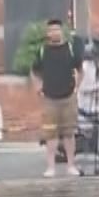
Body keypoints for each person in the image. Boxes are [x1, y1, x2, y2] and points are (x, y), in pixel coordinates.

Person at [31, 19, 81, 177]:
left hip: (68, 97)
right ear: (48, 33)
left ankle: (71, 166)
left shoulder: (70, 49)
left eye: (57, 29)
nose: (54, 33)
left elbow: (80, 69)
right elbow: (34, 71)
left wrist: (77, 87)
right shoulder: (42, 51)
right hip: (50, 98)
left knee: (69, 133)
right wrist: (38, 87)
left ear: (62, 31)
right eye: (51, 30)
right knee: (50, 134)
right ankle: (50, 167)